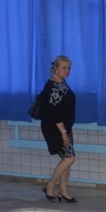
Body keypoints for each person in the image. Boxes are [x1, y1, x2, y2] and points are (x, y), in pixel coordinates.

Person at [40, 56, 77, 203]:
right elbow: (54, 113)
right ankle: (50, 185)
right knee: (69, 158)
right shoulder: (53, 86)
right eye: (63, 68)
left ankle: (63, 190)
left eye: (68, 68)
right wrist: (63, 133)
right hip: (55, 128)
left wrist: (66, 130)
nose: (67, 71)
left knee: (66, 158)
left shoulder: (61, 82)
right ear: (55, 68)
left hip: (64, 127)